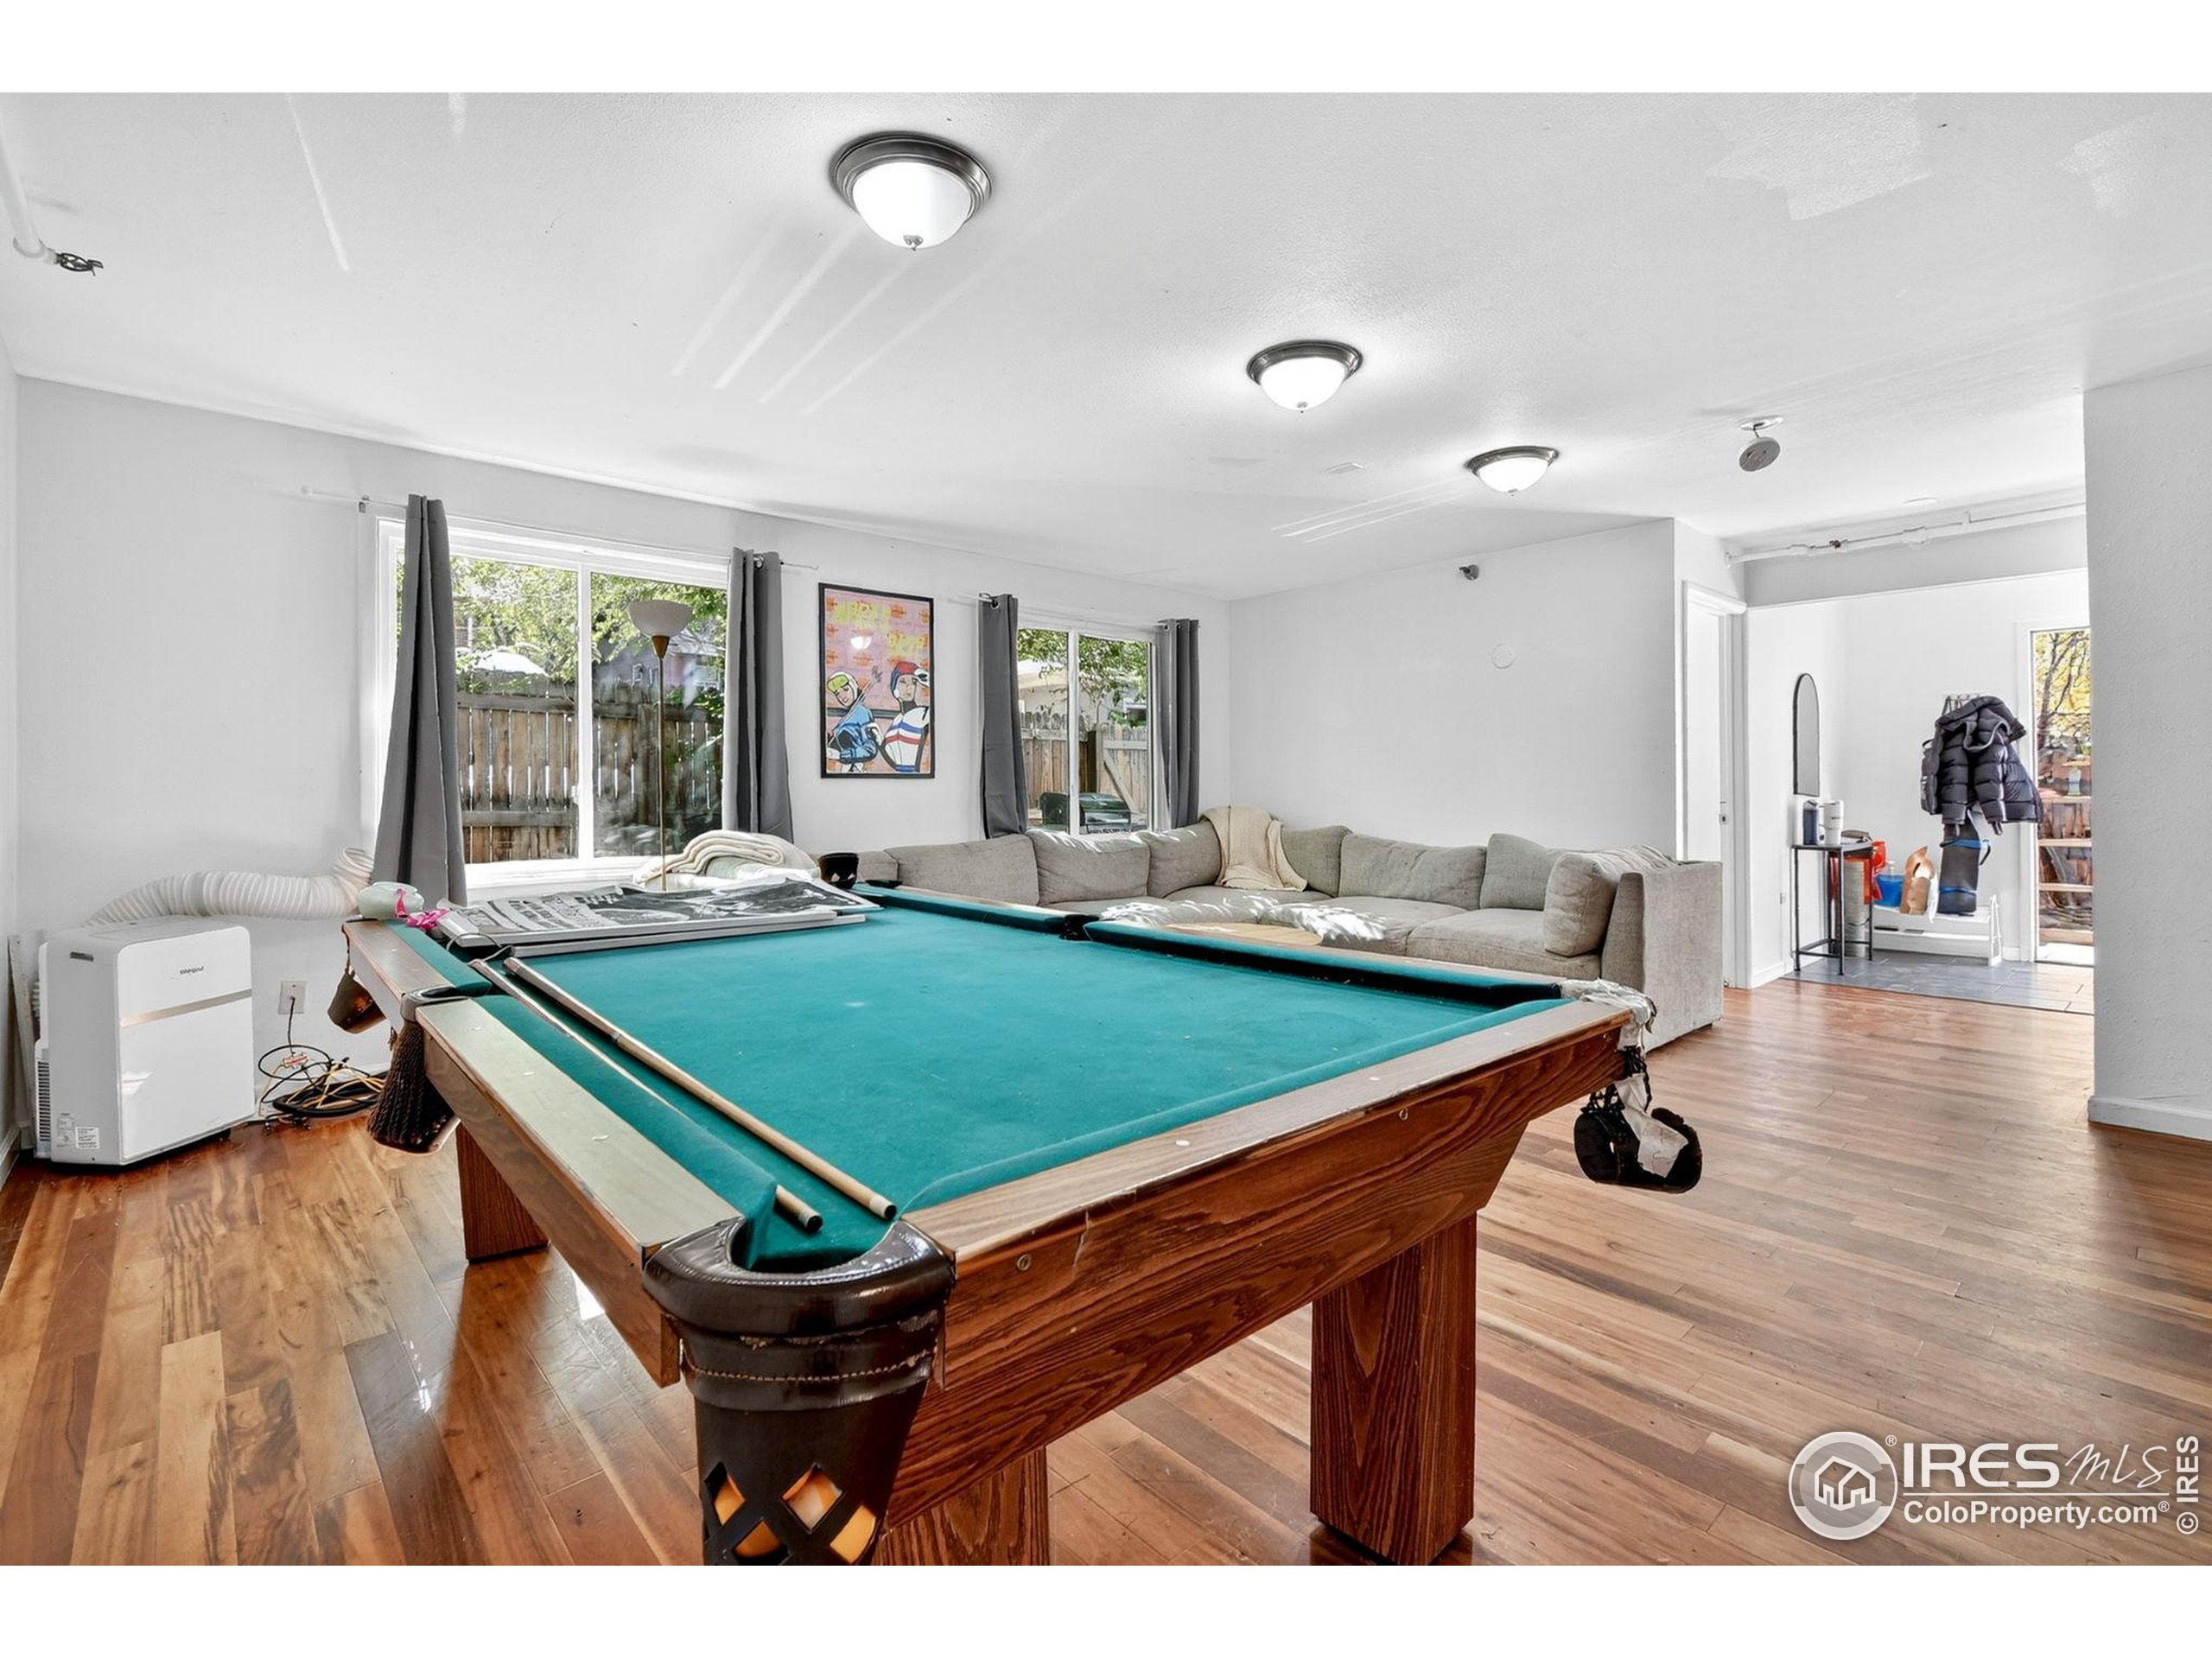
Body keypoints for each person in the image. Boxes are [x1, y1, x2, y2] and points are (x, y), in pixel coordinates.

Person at [823, 671, 881, 772]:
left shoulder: (863, 713)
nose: (842, 696)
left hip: (855, 770)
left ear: (853, 687)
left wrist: (842, 755)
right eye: (837, 693)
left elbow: (870, 749)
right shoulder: (848, 716)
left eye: (845, 689)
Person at [880, 661, 931, 773]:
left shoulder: (922, 713)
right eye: (903, 682)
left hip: (916, 777)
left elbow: (942, 702)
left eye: (913, 682)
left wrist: (927, 679)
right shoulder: (896, 720)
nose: (909, 687)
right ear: (895, 689)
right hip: (897, 777)